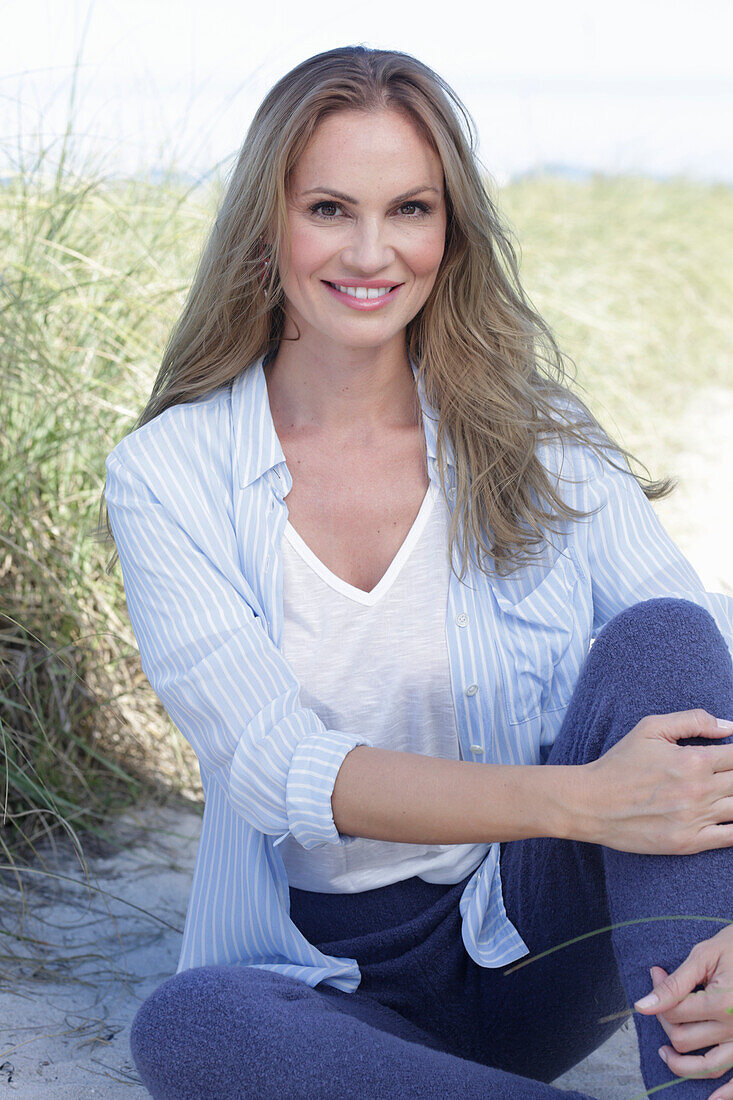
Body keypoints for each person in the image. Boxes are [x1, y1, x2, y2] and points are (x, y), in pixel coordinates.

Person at [100, 46, 733, 1100]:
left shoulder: (540, 438)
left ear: (449, 229)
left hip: (528, 944)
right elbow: (280, 769)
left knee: (665, 635)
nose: (370, 250)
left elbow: (704, 649)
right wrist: (580, 801)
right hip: (331, 988)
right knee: (192, 1024)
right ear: (270, 222)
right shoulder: (167, 472)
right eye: (330, 208)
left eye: (408, 210)